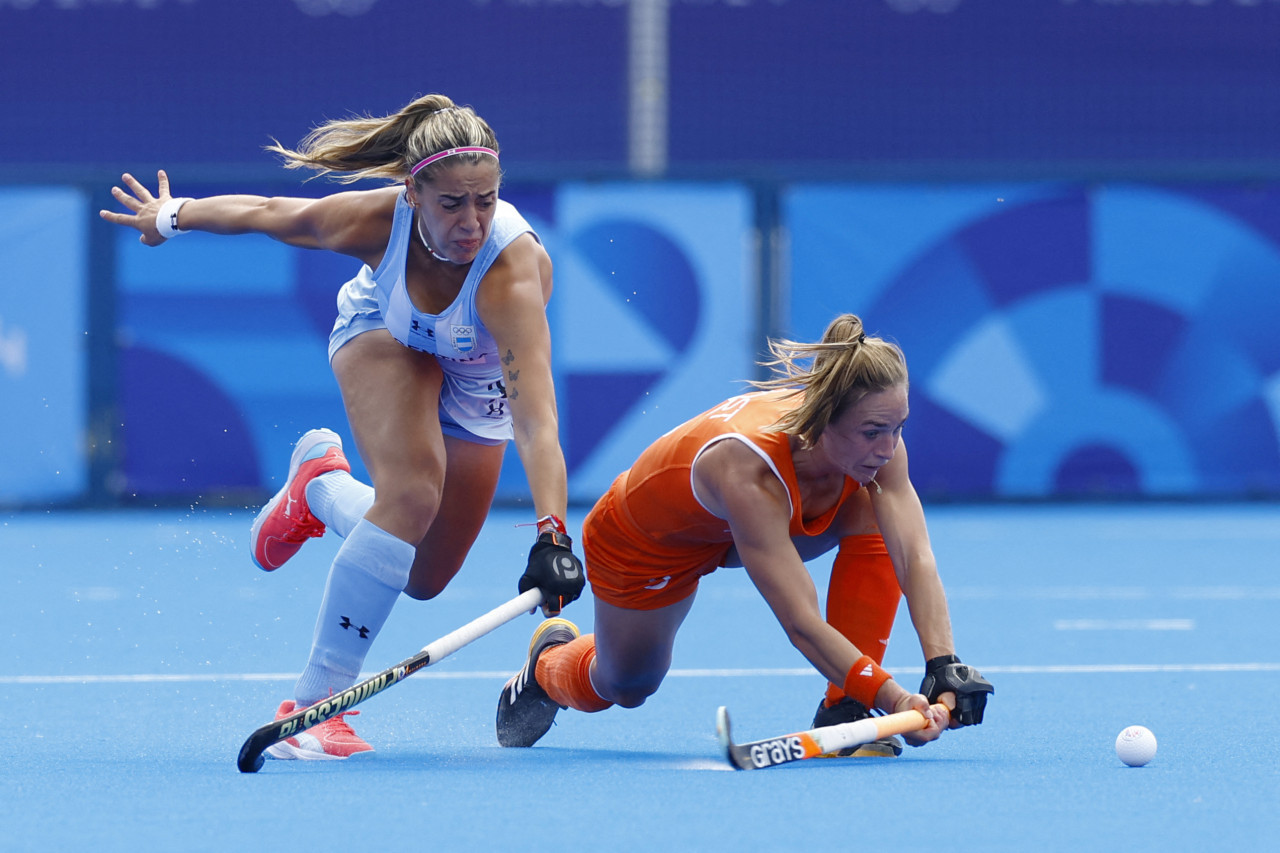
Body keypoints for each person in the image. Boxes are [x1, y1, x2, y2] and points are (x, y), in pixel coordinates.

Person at [101, 93, 584, 761]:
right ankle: (315, 705)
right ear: (412, 192)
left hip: (477, 390)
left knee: (423, 575)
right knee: (412, 494)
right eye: (452, 204)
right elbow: (269, 214)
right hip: (385, 334)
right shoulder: (372, 222)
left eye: (487, 199)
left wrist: (552, 533)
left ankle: (319, 488)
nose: (472, 221)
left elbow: (537, 420)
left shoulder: (510, 274)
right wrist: (171, 215)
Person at [494, 313, 992, 753]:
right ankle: (547, 665)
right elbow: (801, 622)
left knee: (874, 508)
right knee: (627, 685)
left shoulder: (875, 446)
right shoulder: (747, 470)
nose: (888, 448)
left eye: (898, 428)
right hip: (645, 541)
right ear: (824, 422)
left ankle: (845, 711)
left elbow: (915, 554)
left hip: (735, 527)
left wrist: (943, 662)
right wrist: (895, 698)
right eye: (872, 433)